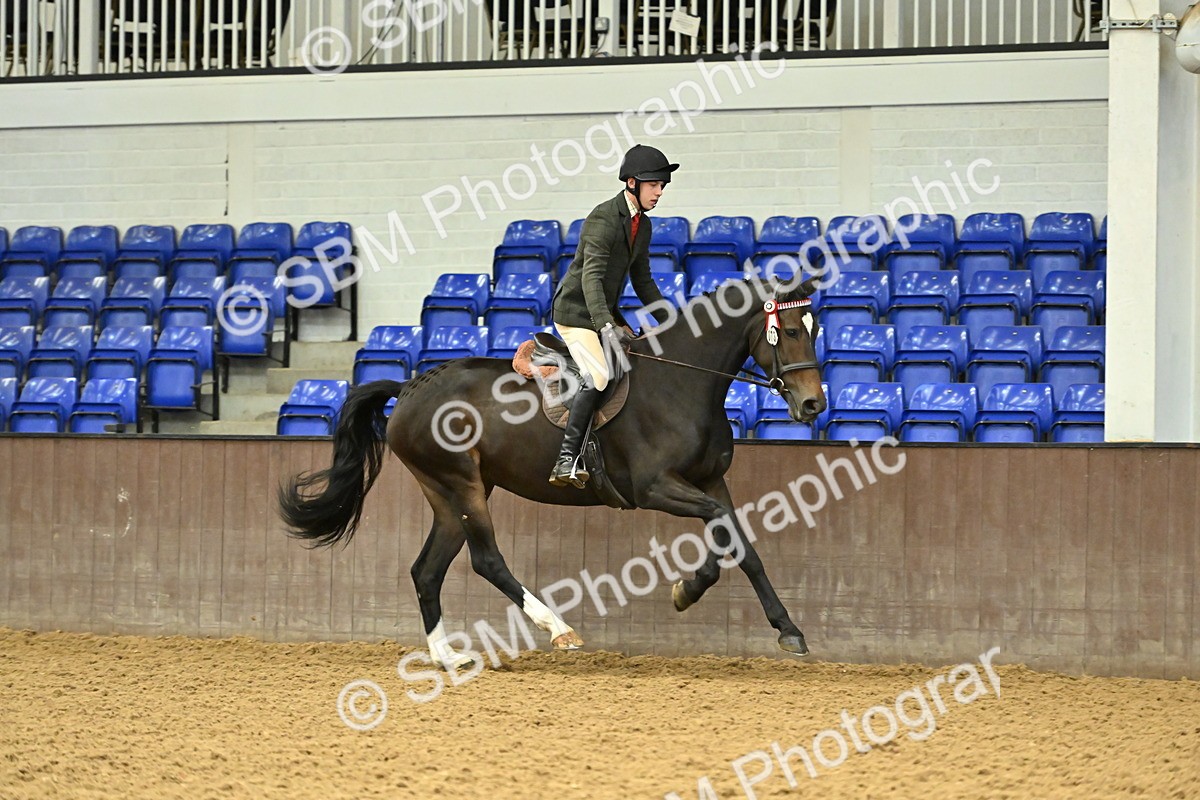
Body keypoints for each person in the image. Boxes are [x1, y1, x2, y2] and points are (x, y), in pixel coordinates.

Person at [547, 144, 679, 488]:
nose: (659, 191)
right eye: (654, 185)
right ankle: (565, 458)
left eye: (662, 186)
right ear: (632, 183)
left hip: (604, 310)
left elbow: (643, 279)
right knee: (600, 374)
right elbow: (591, 278)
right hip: (576, 312)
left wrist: (670, 320)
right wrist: (606, 326)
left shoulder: (642, 225)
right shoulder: (603, 218)